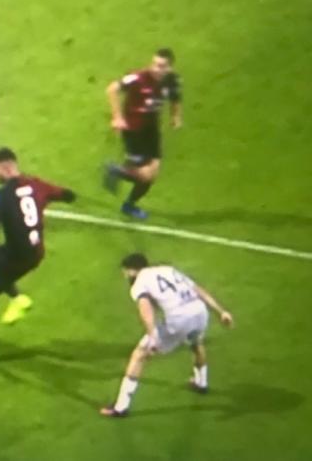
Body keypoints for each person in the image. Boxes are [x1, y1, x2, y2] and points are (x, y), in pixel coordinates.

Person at [0, 147, 76, 363]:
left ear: (4, 167)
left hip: (18, 257)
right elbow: (68, 195)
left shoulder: (1, 196)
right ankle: (18, 299)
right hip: (33, 250)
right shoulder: (36, 184)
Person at [101, 253, 234, 417]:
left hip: (179, 319)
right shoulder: (168, 269)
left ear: (132, 270)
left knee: (139, 355)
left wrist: (152, 336)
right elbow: (197, 289)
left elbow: (145, 309)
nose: (125, 276)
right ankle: (201, 382)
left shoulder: (139, 282)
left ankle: (120, 407)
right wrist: (221, 311)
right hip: (200, 312)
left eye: (126, 272)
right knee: (195, 342)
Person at [103, 48, 183, 219]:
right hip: (134, 131)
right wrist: (117, 117)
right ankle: (115, 171)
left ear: (169, 68)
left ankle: (129, 205)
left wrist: (175, 116)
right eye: (155, 64)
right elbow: (112, 89)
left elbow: (175, 98)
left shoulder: (172, 80)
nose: (156, 69)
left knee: (153, 173)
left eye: (161, 66)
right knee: (145, 176)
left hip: (152, 131)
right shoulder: (138, 78)